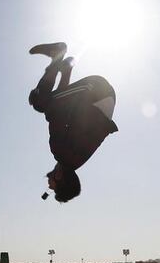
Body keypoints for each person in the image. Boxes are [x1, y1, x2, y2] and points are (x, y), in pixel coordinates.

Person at [28, 42, 118, 203]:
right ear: (60, 178)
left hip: (100, 99)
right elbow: (55, 116)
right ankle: (58, 54)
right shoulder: (62, 153)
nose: (49, 184)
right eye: (53, 186)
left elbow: (63, 112)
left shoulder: (74, 160)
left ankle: (66, 69)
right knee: (41, 101)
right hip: (97, 92)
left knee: (53, 103)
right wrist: (42, 100)